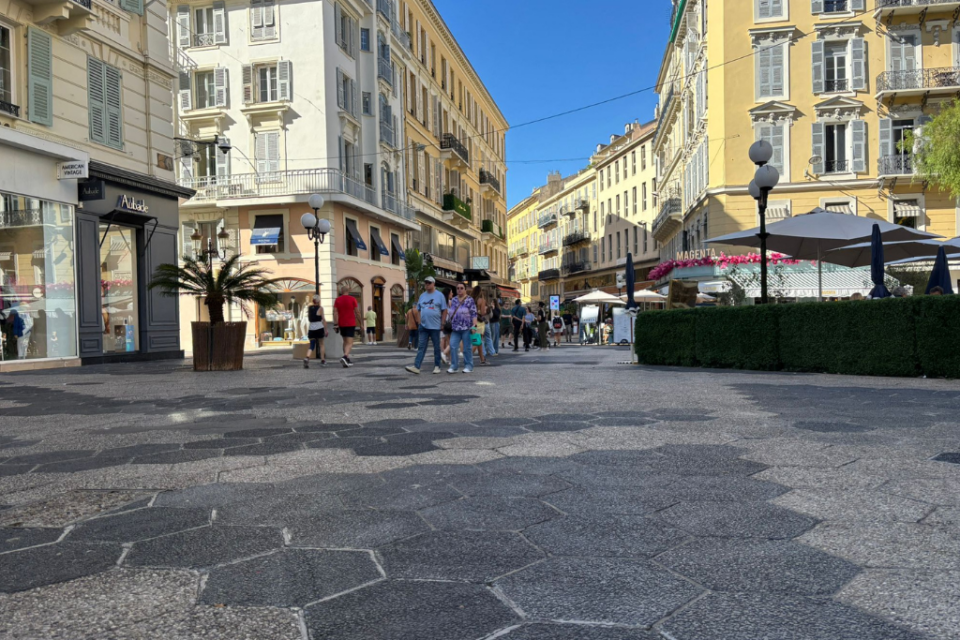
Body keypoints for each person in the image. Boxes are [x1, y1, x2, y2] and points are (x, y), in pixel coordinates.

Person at [405, 276, 447, 374]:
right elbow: (419, 309)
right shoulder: (422, 296)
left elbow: (444, 310)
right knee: (421, 346)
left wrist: (443, 323)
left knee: (436, 347)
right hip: (423, 326)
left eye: (429, 283)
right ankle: (416, 366)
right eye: (426, 283)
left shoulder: (439, 295)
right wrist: (419, 321)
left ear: (433, 284)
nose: (427, 285)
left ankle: (437, 366)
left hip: (435, 326)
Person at [447, 283, 477, 373]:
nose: (459, 290)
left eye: (461, 288)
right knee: (452, 346)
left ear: (465, 290)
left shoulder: (470, 300)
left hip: (466, 328)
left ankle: (468, 366)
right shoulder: (454, 299)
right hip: (455, 328)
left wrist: (474, 326)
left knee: (467, 348)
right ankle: (454, 366)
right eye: (458, 288)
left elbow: (474, 313)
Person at [332, 286, 360, 367]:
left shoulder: (337, 300)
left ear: (341, 291)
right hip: (350, 323)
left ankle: (346, 359)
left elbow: (335, 312)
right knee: (350, 342)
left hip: (341, 323)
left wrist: (336, 324)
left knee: (345, 341)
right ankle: (345, 356)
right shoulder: (352, 299)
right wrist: (361, 322)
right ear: (349, 291)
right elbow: (357, 312)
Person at [303, 294, 326, 368]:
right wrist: (326, 329)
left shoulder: (309, 308)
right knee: (321, 344)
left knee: (312, 345)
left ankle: (307, 357)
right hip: (319, 327)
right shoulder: (320, 308)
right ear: (319, 300)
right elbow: (323, 319)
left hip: (311, 328)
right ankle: (322, 360)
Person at [472, 286, 488, 365]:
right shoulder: (482, 300)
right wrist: (486, 310)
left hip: (472, 322)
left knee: (479, 342)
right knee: (477, 341)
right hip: (479, 323)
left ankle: (482, 359)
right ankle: (468, 356)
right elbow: (482, 313)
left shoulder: (470, 300)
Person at [441, 288, 453, 364]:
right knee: (451, 341)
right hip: (447, 323)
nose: (452, 294)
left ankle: (449, 358)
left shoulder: (447, 302)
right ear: (448, 294)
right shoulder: (448, 303)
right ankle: (444, 354)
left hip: (445, 323)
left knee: (448, 341)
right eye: (451, 292)